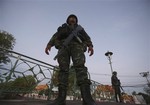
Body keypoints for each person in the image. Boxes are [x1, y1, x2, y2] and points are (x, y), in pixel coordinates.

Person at [45, 14, 96, 105]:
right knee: (63, 70)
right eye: (70, 18)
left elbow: (87, 38)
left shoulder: (80, 29)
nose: (72, 19)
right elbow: (55, 36)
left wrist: (90, 46)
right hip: (63, 47)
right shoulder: (62, 28)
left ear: (76, 21)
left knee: (80, 68)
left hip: (77, 47)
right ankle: (61, 99)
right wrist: (49, 45)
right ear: (67, 20)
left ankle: (87, 99)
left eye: (74, 19)